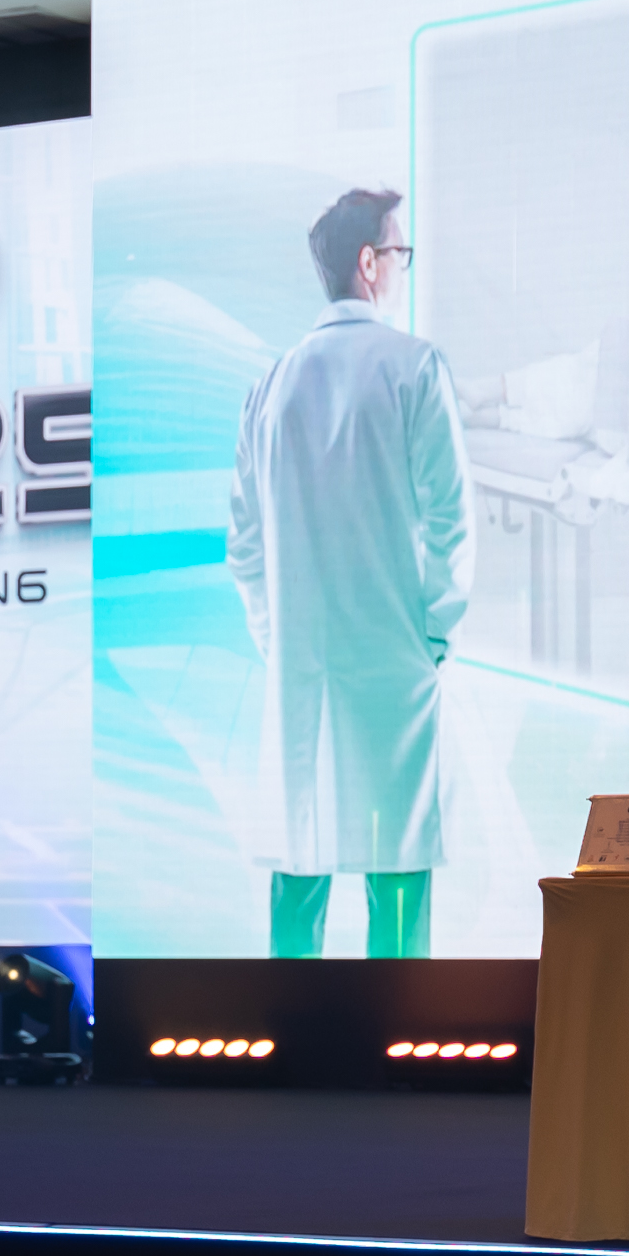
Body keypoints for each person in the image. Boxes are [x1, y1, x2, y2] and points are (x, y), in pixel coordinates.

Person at [227, 188, 475, 959]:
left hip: (302, 670)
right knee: (396, 884)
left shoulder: (269, 388)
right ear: (370, 263)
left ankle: (290, 1024)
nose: (402, 267)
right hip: (395, 667)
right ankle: (398, 1022)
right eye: (401, 253)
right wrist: (433, 635)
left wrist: (279, 642)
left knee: (298, 877)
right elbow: (452, 521)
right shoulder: (414, 368)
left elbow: (244, 545)